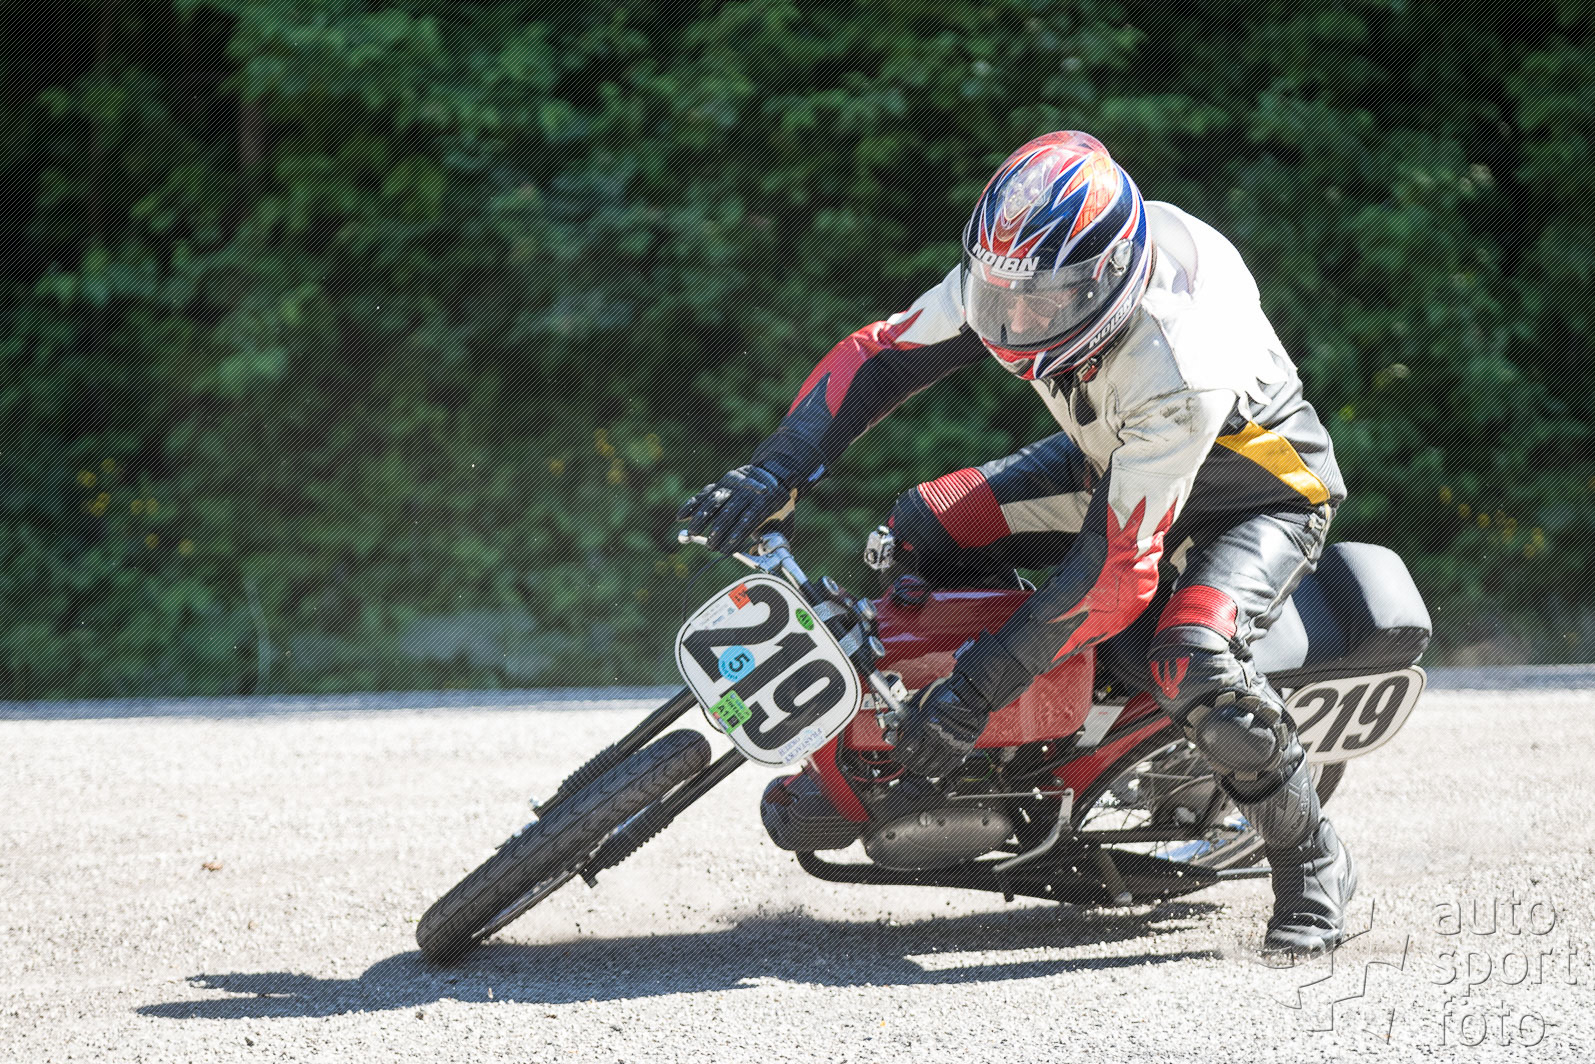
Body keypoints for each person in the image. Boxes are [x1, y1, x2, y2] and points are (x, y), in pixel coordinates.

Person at [677, 131, 1354, 954]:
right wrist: (773, 472)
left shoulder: (1177, 359)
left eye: (1043, 304)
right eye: (999, 295)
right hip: (1118, 458)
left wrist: (973, 690)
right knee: (923, 528)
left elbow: (1114, 574)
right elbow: (881, 355)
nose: (1015, 320)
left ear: (1108, 279)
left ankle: (1311, 860)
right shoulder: (1030, 266)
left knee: (1188, 661)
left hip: (1253, 498)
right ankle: (966, 762)